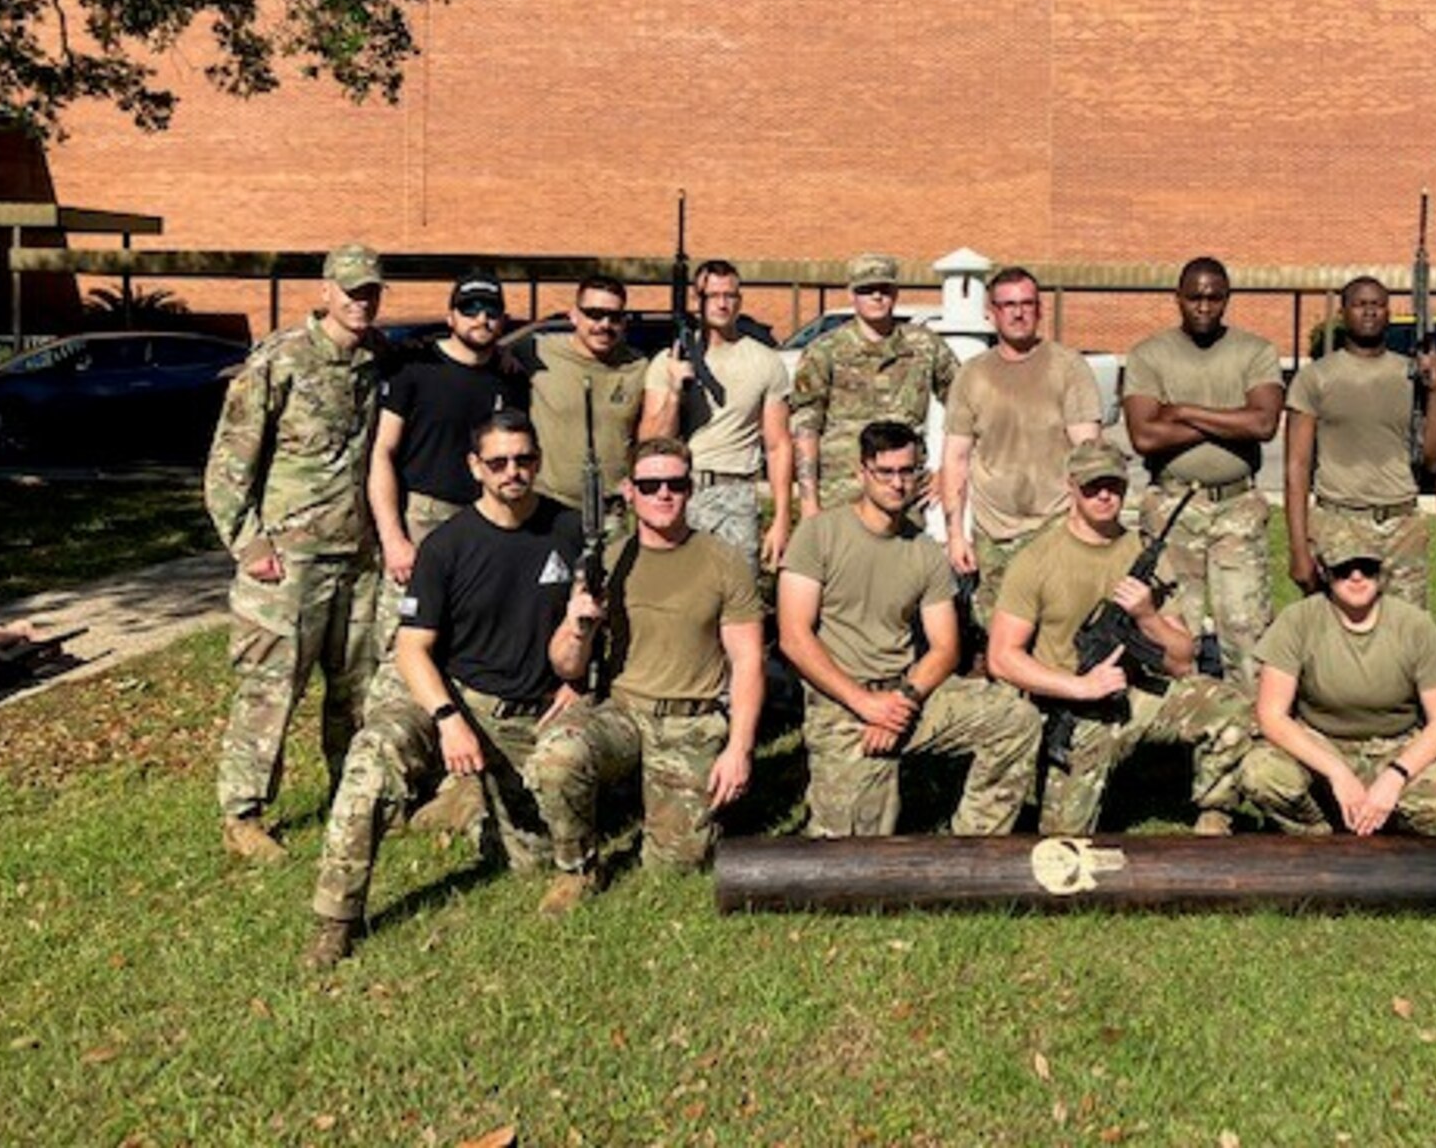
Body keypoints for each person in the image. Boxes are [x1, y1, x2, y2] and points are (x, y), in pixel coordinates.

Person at [304, 411, 640, 968]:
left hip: (528, 715)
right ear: (475, 467)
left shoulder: (569, 533)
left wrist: (576, 677)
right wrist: (447, 719)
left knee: (528, 859)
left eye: (524, 460)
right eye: (498, 462)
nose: (513, 472)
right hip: (454, 699)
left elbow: (583, 638)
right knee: (371, 759)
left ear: (538, 461)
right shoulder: (447, 546)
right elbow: (413, 649)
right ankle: (335, 919)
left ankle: (476, 808)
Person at [987, 440, 1275, 836]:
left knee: (1231, 707)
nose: (1105, 495)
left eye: (1114, 485)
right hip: (1069, 707)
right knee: (1064, 838)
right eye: (1092, 486)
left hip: (1134, 697)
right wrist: (1079, 687)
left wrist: (1147, 617)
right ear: (1071, 487)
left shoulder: (1144, 551)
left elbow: (1182, 660)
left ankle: (1214, 814)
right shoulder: (1036, 559)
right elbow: (1002, 657)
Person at [205, 243, 388, 863]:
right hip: (287, 563)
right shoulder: (279, 361)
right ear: (325, 291)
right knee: (271, 688)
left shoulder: (377, 361)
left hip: (358, 559)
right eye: (351, 291)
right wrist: (249, 541)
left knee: (356, 689)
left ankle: (351, 794)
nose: (361, 302)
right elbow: (228, 464)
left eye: (370, 292)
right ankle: (243, 813)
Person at [777, 420, 1040, 837]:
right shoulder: (818, 535)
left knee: (1015, 719)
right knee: (851, 853)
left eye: (908, 471)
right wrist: (865, 704)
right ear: (862, 472)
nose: (898, 484)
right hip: (841, 703)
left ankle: (975, 846)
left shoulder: (924, 550)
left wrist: (902, 701)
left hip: (906, 694)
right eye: (885, 472)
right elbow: (794, 637)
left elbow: (945, 648)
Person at [594, 436, 766, 869]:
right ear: (630, 492)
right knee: (557, 760)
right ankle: (576, 866)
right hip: (623, 712)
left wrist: (739, 749)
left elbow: (748, 661)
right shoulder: (609, 561)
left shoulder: (724, 561)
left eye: (676, 484)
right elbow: (573, 656)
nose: (664, 494)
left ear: (690, 489)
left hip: (689, 720)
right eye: (649, 486)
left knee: (676, 865)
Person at [1121, 257, 1285, 694]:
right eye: (1194, 297)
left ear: (1227, 298)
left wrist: (1182, 411)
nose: (1204, 306)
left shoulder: (1255, 351)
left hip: (1237, 506)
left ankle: (1249, 722)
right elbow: (1144, 436)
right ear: (1177, 298)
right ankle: (1175, 721)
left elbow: (1263, 423)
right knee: (1174, 630)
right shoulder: (1149, 355)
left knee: (1246, 631)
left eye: (1214, 298)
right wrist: (1231, 420)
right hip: (1172, 507)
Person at [1251, 542, 1436, 838]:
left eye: (1367, 568)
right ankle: (1318, 831)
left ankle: (1381, 827)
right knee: (1261, 773)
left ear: (1381, 573)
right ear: (1326, 573)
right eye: (1344, 570)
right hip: (1320, 742)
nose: (1356, 577)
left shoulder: (1416, 626)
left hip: (1395, 746)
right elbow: (1271, 715)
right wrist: (1337, 772)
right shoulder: (1297, 621)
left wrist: (1396, 775)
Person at [940, 266, 1103, 637]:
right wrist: (956, 535)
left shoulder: (1068, 367)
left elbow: (1089, 455)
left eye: (1027, 304)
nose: (1018, 313)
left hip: (1056, 525)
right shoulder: (972, 375)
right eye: (1008, 305)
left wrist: (1084, 524)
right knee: (997, 635)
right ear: (991, 313)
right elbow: (956, 458)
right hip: (993, 533)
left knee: (1059, 632)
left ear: (1040, 310)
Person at [1284, 276, 1436, 610]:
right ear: (1343, 313)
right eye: (1360, 305)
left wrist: (1434, 390)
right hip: (1340, 522)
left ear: (1389, 313)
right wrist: (1299, 548)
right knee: (1340, 626)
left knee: (1405, 629)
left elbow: (1435, 458)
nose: (1369, 312)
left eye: (1378, 305)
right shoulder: (1315, 377)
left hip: (1402, 524)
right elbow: (1296, 466)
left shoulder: (1411, 374)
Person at [369, 270, 529, 606]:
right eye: (470, 309)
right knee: (407, 624)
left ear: (503, 320)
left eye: (491, 310)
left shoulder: (512, 379)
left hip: (487, 516)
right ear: (450, 318)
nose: (481, 319)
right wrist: (394, 539)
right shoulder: (414, 369)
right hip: (422, 520)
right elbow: (383, 452)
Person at [638, 258, 795, 569]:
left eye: (730, 295)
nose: (722, 304)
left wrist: (782, 518)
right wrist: (674, 392)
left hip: (736, 492)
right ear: (697, 299)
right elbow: (650, 443)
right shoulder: (668, 361)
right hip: (678, 490)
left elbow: (778, 445)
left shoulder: (765, 361)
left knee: (739, 589)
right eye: (713, 295)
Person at [791, 254, 959, 517]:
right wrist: (808, 503)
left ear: (896, 292)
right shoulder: (825, 351)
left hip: (903, 495)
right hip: (841, 497)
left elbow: (966, 408)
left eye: (884, 289)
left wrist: (949, 471)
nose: (877, 296)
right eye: (867, 290)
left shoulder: (924, 347)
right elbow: (806, 427)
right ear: (851, 294)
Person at [519, 275, 648, 514]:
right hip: (549, 505)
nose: (604, 324)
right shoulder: (536, 351)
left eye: (614, 317)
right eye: (594, 314)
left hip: (615, 508)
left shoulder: (638, 367)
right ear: (574, 315)